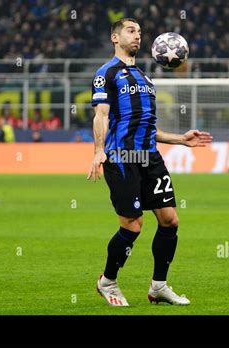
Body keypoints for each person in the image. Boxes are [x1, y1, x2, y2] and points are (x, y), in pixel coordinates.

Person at [87, 18, 212, 307]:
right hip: (121, 157)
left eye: (140, 32)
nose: (138, 36)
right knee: (133, 226)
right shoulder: (105, 73)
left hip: (150, 157)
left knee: (170, 221)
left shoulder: (146, 78)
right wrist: (98, 150)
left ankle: (158, 286)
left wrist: (181, 139)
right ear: (115, 38)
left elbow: (148, 127)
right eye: (131, 31)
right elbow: (101, 115)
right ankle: (107, 281)